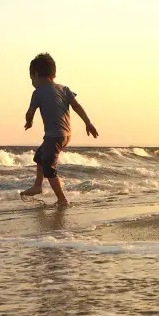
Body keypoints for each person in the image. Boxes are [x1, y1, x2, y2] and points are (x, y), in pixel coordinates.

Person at [21, 52, 98, 208]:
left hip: (54, 136)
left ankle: (62, 199)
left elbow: (30, 111)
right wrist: (88, 123)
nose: (32, 82)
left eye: (32, 79)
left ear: (35, 74)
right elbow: (76, 106)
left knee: (49, 167)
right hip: (64, 134)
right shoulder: (64, 89)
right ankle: (37, 185)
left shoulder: (37, 92)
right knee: (40, 156)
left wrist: (29, 121)